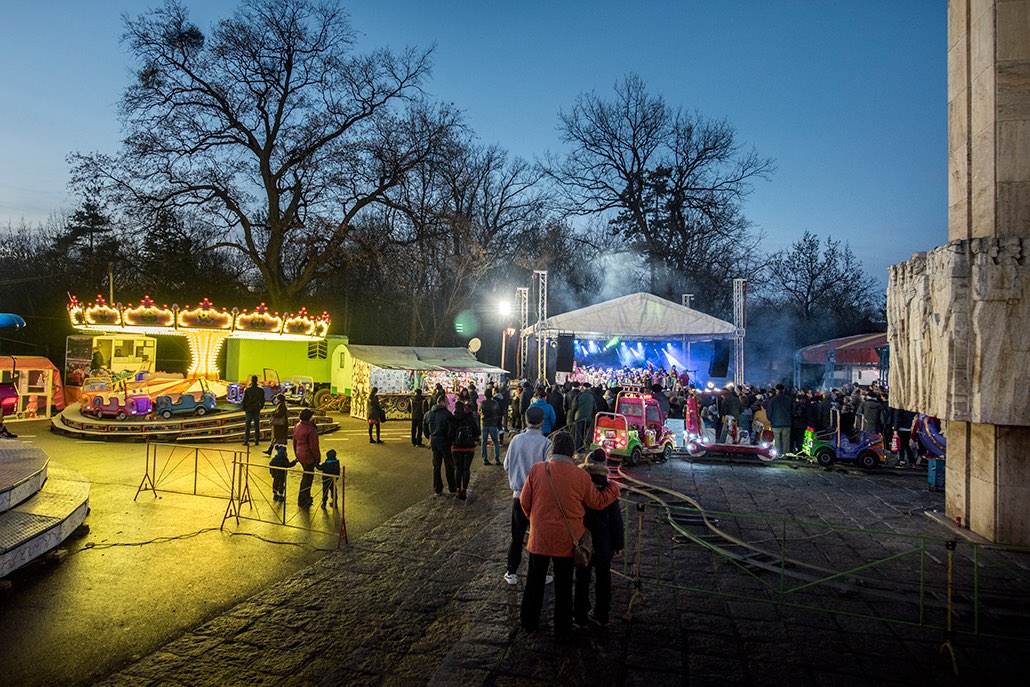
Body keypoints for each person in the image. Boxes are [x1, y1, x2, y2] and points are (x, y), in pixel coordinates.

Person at [519, 431, 620, 640]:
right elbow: (597, 502)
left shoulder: (538, 470)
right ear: (572, 453)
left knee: (534, 581)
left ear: (552, 449)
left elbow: (524, 500)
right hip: (568, 539)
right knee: (564, 586)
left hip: (540, 537)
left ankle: (529, 621)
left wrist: (535, 520)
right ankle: (562, 629)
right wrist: (614, 490)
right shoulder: (580, 476)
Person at [573, 448, 625, 629]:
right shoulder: (610, 491)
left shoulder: (580, 486)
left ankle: (579, 616)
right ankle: (602, 614)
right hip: (604, 542)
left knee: (582, 578)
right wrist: (618, 544)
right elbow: (616, 521)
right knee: (604, 579)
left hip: (583, 540)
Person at [502, 405, 552, 586]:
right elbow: (548, 472)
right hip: (538, 498)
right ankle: (541, 572)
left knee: (517, 535)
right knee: (539, 534)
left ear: (525, 420)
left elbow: (506, 465)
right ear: (542, 423)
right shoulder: (546, 444)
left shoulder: (516, 440)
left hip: (518, 495)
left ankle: (511, 571)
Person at [424, 396, 456, 496]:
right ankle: (452, 488)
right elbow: (451, 430)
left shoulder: (428, 414)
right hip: (445, 442)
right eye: (447, 402)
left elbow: (425, 429)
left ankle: (438, 489)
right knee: (449, 465)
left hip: (434, 442)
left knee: (436, 466)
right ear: (442, 402)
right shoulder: (447, 414)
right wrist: (451, 441)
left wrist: (430, 437)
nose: (448, 404)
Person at [449, 402, 479, 501]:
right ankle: (464, 490)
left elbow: (450, 434)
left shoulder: (453, 419)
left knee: (458, 468)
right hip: (469, 448)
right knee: (466, 468)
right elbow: (477, 432)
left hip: (456, 447)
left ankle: (458, 490)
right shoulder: (469, 418)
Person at [292, 408, 320, 507]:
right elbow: (314, 446)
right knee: (307, 479)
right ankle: (303, 499)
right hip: (308, 456)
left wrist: (296, 454)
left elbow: (294, 442)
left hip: (300, 454)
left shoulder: (297, 426)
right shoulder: (311, 429)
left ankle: (305, 498)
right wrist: (317, 458)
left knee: (306, 477)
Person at [765, 384, 792, 456]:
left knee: (777, 439)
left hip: (776, 423)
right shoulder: (789, 399)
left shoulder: (772, 400)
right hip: (787, 423)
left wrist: (770, 420)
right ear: (783, 390)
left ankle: (777, 454)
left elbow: (769, 412)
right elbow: (792, 411)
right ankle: (785, 454)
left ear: (776, 390)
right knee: (786, 440)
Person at [479, 389, 503, 465]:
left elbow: (479, 411)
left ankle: (485, 459)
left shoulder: (482, 403)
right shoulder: (495, 403)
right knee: (495, 442)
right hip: (493, 424)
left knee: (484, 442)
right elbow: (498, 412)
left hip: (484, 424)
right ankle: (497, 460)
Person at [241, 375, 266, 446]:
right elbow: (263, 400)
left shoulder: (248, 390)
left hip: (249, 409)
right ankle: (256, 440)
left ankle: (246, 440)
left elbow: (244, 400)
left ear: (251, 381)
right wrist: (260, 407)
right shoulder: (260, 390)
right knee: (256, 425)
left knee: (248, 425)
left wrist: (244, 408)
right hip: (256, 409)